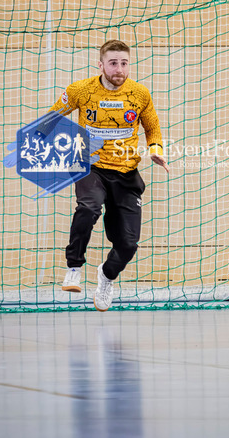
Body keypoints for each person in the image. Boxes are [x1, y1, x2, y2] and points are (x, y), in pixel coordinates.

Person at [50, 39, 169, 311]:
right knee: (88, 207)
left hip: (126, 173)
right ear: (101, 65)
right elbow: (53, 117)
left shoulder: (139, 94)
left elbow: (152, 128)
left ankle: (106, 276)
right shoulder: (81, 90)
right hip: (89, 165)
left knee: (128, 244)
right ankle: (74, 267)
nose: (119, 69)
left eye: (124, 63)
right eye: (113, 63)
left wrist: (155, 149)